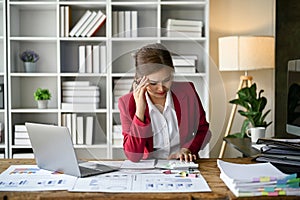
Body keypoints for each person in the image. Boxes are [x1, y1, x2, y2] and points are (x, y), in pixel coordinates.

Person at [118, 43, 210, 162]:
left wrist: (188, 149)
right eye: (153, 83)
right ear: (139, 80)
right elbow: (133, 156)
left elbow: (203, 130)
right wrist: (140, 111)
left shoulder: (188, 91)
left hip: (182, 164)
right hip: (150, 169)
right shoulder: (126, 103)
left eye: (167, 80)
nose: (161, 88)